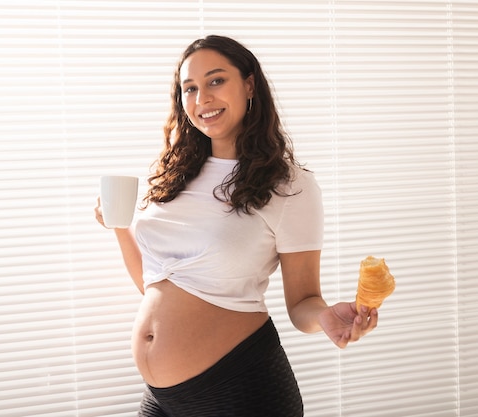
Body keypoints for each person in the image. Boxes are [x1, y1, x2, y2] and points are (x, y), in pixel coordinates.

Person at [94, 35, 378, 417]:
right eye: (189, 88)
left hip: (241, 390)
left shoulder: (290, 185)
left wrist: (325, 317)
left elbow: (302, 303)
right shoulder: (177, 176)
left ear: (248, 85)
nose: (201, 99)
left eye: (215, 81)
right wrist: (119, 227)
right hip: (164, 399)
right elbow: (153, 282)